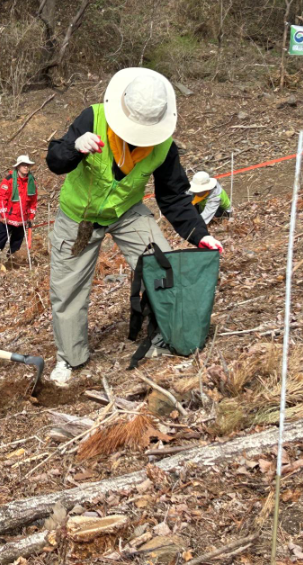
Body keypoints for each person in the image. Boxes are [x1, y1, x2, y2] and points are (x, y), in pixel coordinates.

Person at [45, 67, 224, 387]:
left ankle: (165, 335)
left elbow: (174, 197)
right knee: (67, 290)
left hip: (126, 211)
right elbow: (55, 159)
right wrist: (75, 146)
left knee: (162, 264)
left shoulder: (163, 146)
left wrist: (201, 234)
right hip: (79, 216)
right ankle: (70, 359)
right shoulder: (92, 118)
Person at [0, 155, 38, 262]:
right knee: (1, 237)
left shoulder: (32, 182)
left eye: (27, 165)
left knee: (17, 240)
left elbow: (33, 201)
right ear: (18, 166)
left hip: (22, 217)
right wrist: (3, 213)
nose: (26, 167)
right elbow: (2, 197)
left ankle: (12, 258)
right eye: (23, 165)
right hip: (9, 216)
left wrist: (31, 216)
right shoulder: (9, 180)